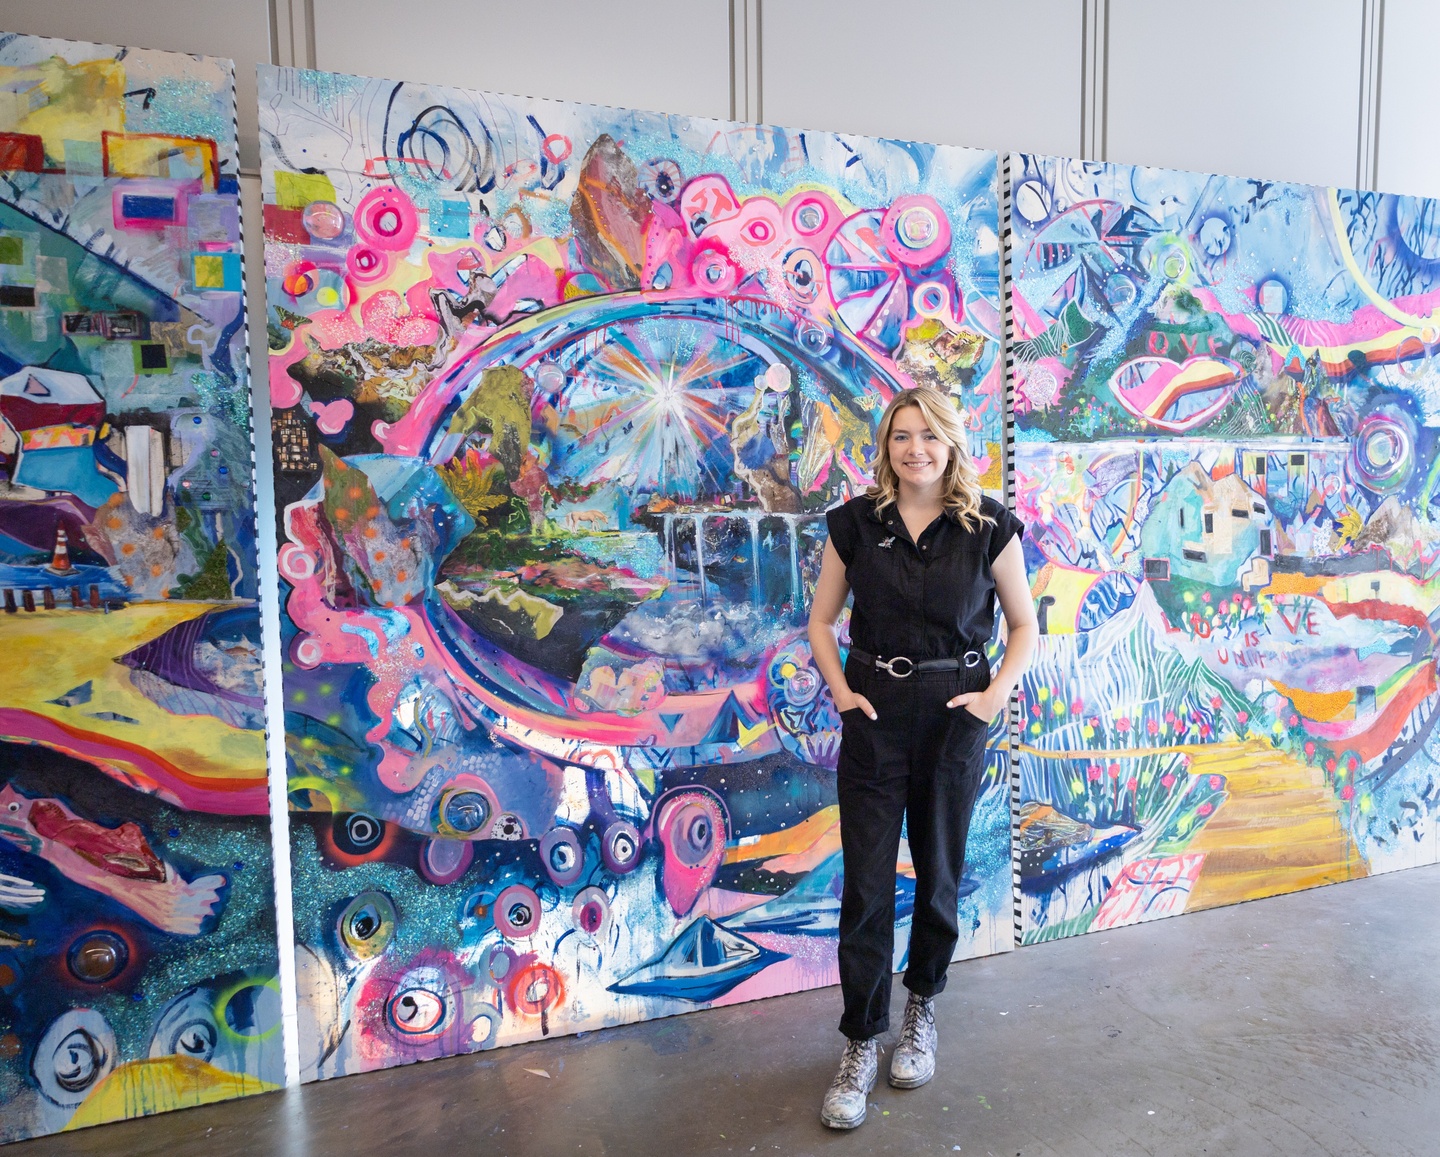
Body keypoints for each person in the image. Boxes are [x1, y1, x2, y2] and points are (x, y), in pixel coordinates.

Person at [806, 386, 1038, 1130]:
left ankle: (921, 1009)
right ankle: (858, 1043)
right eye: (902, 436)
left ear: (951, 444)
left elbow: (1025, 623)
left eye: (929, 436)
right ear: (887, 445)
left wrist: (993, 696)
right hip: (875, 717)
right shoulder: (854, 524)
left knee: (938, 876)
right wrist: (842, 691)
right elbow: (820, 620)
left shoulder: (989, 526)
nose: (916, 450)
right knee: (867, 887)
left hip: (953, 716)